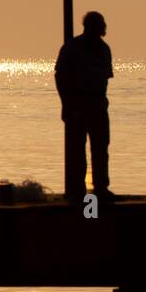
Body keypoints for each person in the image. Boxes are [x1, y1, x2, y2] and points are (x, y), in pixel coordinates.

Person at [55, 11, 113, 201]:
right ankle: (77, 190)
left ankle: (101, 188)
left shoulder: (104, 49)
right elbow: (60, 77)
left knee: (100, 148)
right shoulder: (72, 48)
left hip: (97, 107)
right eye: (101, 24)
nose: (104, 27)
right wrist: (66, 104)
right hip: (77, 106)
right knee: (77, 150)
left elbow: (104, 79)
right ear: (92, 26)